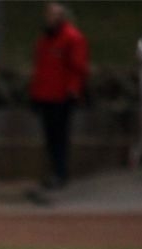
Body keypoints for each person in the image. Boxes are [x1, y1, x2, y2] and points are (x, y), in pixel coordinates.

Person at [29, 2, 89, 190]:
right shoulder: (44, 40)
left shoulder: (72, 38)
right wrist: (35, 94)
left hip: (62, 97)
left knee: (60, 137)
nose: (51, 19)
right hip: (45, 95)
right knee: (50, 137)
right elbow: (40, 69)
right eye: (49, 15)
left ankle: (60, 173)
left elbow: (78, 68)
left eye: (55, 15)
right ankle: (54, 171)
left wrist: (73, 90)